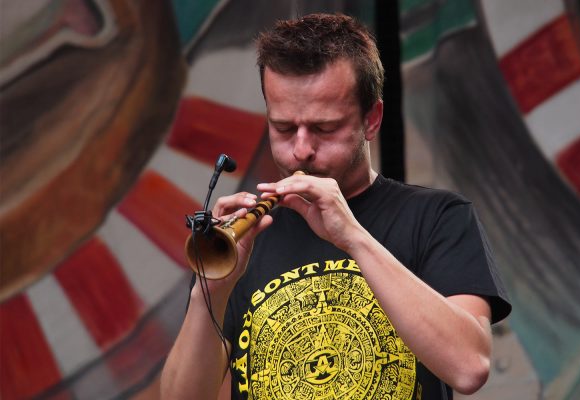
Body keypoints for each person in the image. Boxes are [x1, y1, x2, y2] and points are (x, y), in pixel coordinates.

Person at [161, 13, 511, 400]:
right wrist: (210, 291)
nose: (301, 149)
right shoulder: (242, 241)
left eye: (324, 129)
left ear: (372, 120)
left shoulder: (438, 217)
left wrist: (354, 237)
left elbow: (469, 368)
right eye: (283, 128)